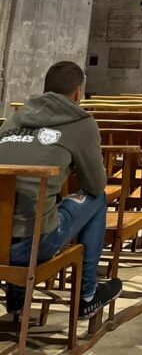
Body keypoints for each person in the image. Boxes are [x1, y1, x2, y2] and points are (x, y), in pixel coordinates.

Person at [0, 61, 122, 318]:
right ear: (78, 92)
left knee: (18, 203)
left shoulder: (13, 119)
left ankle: (17, 295)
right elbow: (95, 183)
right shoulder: (81, 123)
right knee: (97, 198)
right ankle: (88, 295)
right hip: (32, 246)